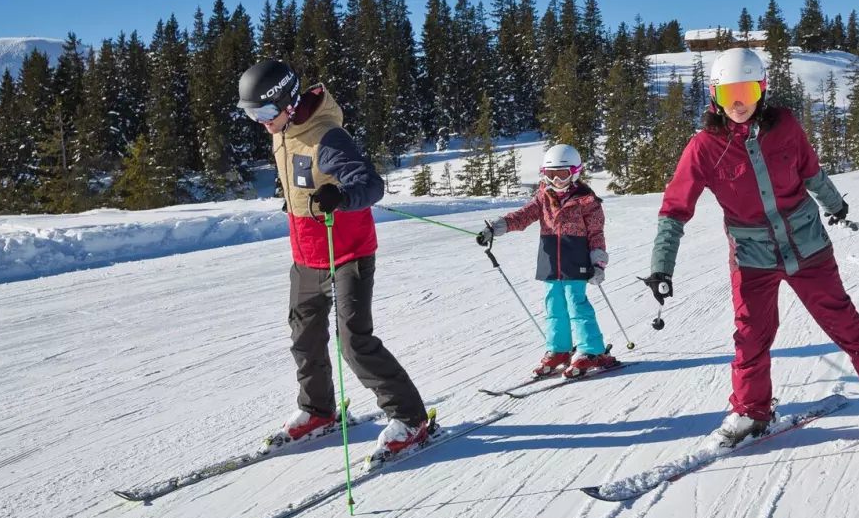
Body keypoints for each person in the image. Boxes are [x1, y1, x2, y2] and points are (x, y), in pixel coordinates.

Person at [646, 48, 859, 447]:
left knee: (844, 322)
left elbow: (810, 169)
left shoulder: (786, 125)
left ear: (762, 90)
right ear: (714, 96)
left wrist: (835, 204)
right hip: (752, 258)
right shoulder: (704, 147)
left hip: (808, 247)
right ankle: (752, 412)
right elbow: (674, 209)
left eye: (748, 92)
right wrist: (661, 265)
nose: (739, 104)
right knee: (751, 337)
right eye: (728, 95)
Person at [237, 59, 434, 460]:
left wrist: (340, 197)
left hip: (348, 254)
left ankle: (411, 418)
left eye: (265, 112)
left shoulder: (327, 137)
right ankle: (318, 411)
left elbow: (370, 184)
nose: (260, 122)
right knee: (304, 337)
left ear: (289, 102)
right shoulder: (283, 130)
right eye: (250, 113)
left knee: (354, 343)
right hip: (307, 255)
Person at [476, 144, 617, 378]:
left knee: (577, 306)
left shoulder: (587, 201)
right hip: (550, 262)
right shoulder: (543, 197)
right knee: (554, 307)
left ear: (575, 172)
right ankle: (559, 349)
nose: (556, 180)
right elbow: (522, 216)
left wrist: (598, 263)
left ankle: (591, 351)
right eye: (550, 174)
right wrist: (495, 228)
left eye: (561, 174)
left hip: (576, 261)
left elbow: (596, 234)